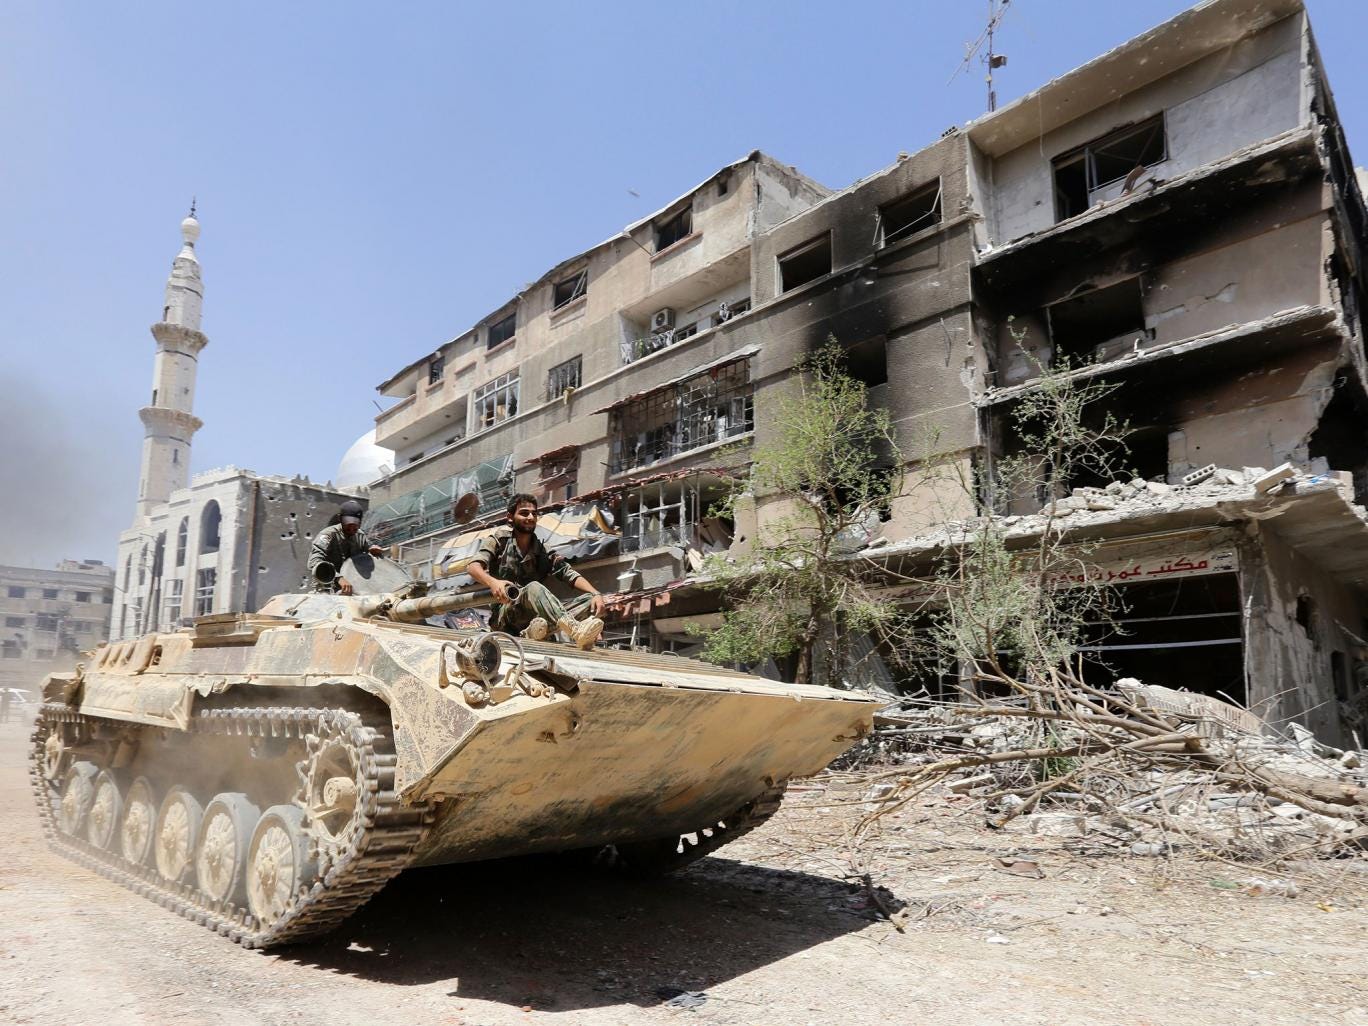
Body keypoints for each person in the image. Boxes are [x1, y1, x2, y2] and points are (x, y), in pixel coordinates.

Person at [468, 493, 607, 649]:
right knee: (533, 588)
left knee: (590, 600)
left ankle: (534, 632)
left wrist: (596, 594)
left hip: (538, 618)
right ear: (510, 517)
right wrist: (493, 582)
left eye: (534, 513)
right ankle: (574, 630)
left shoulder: (542, 550)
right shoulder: (499, 540)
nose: (530, 517)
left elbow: (567, 573)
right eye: (524, 513)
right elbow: (473, 567)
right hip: (505, 616)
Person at [308, 500, 385, 595]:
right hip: (327, 588)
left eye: (356, 522)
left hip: (353, 590)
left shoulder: (360, 536)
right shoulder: (328, 535)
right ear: (340, 519)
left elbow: (365, 551)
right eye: (348, 521)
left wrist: (371, 550)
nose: (352, 526)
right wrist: (338, 578)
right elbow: (314, 561)